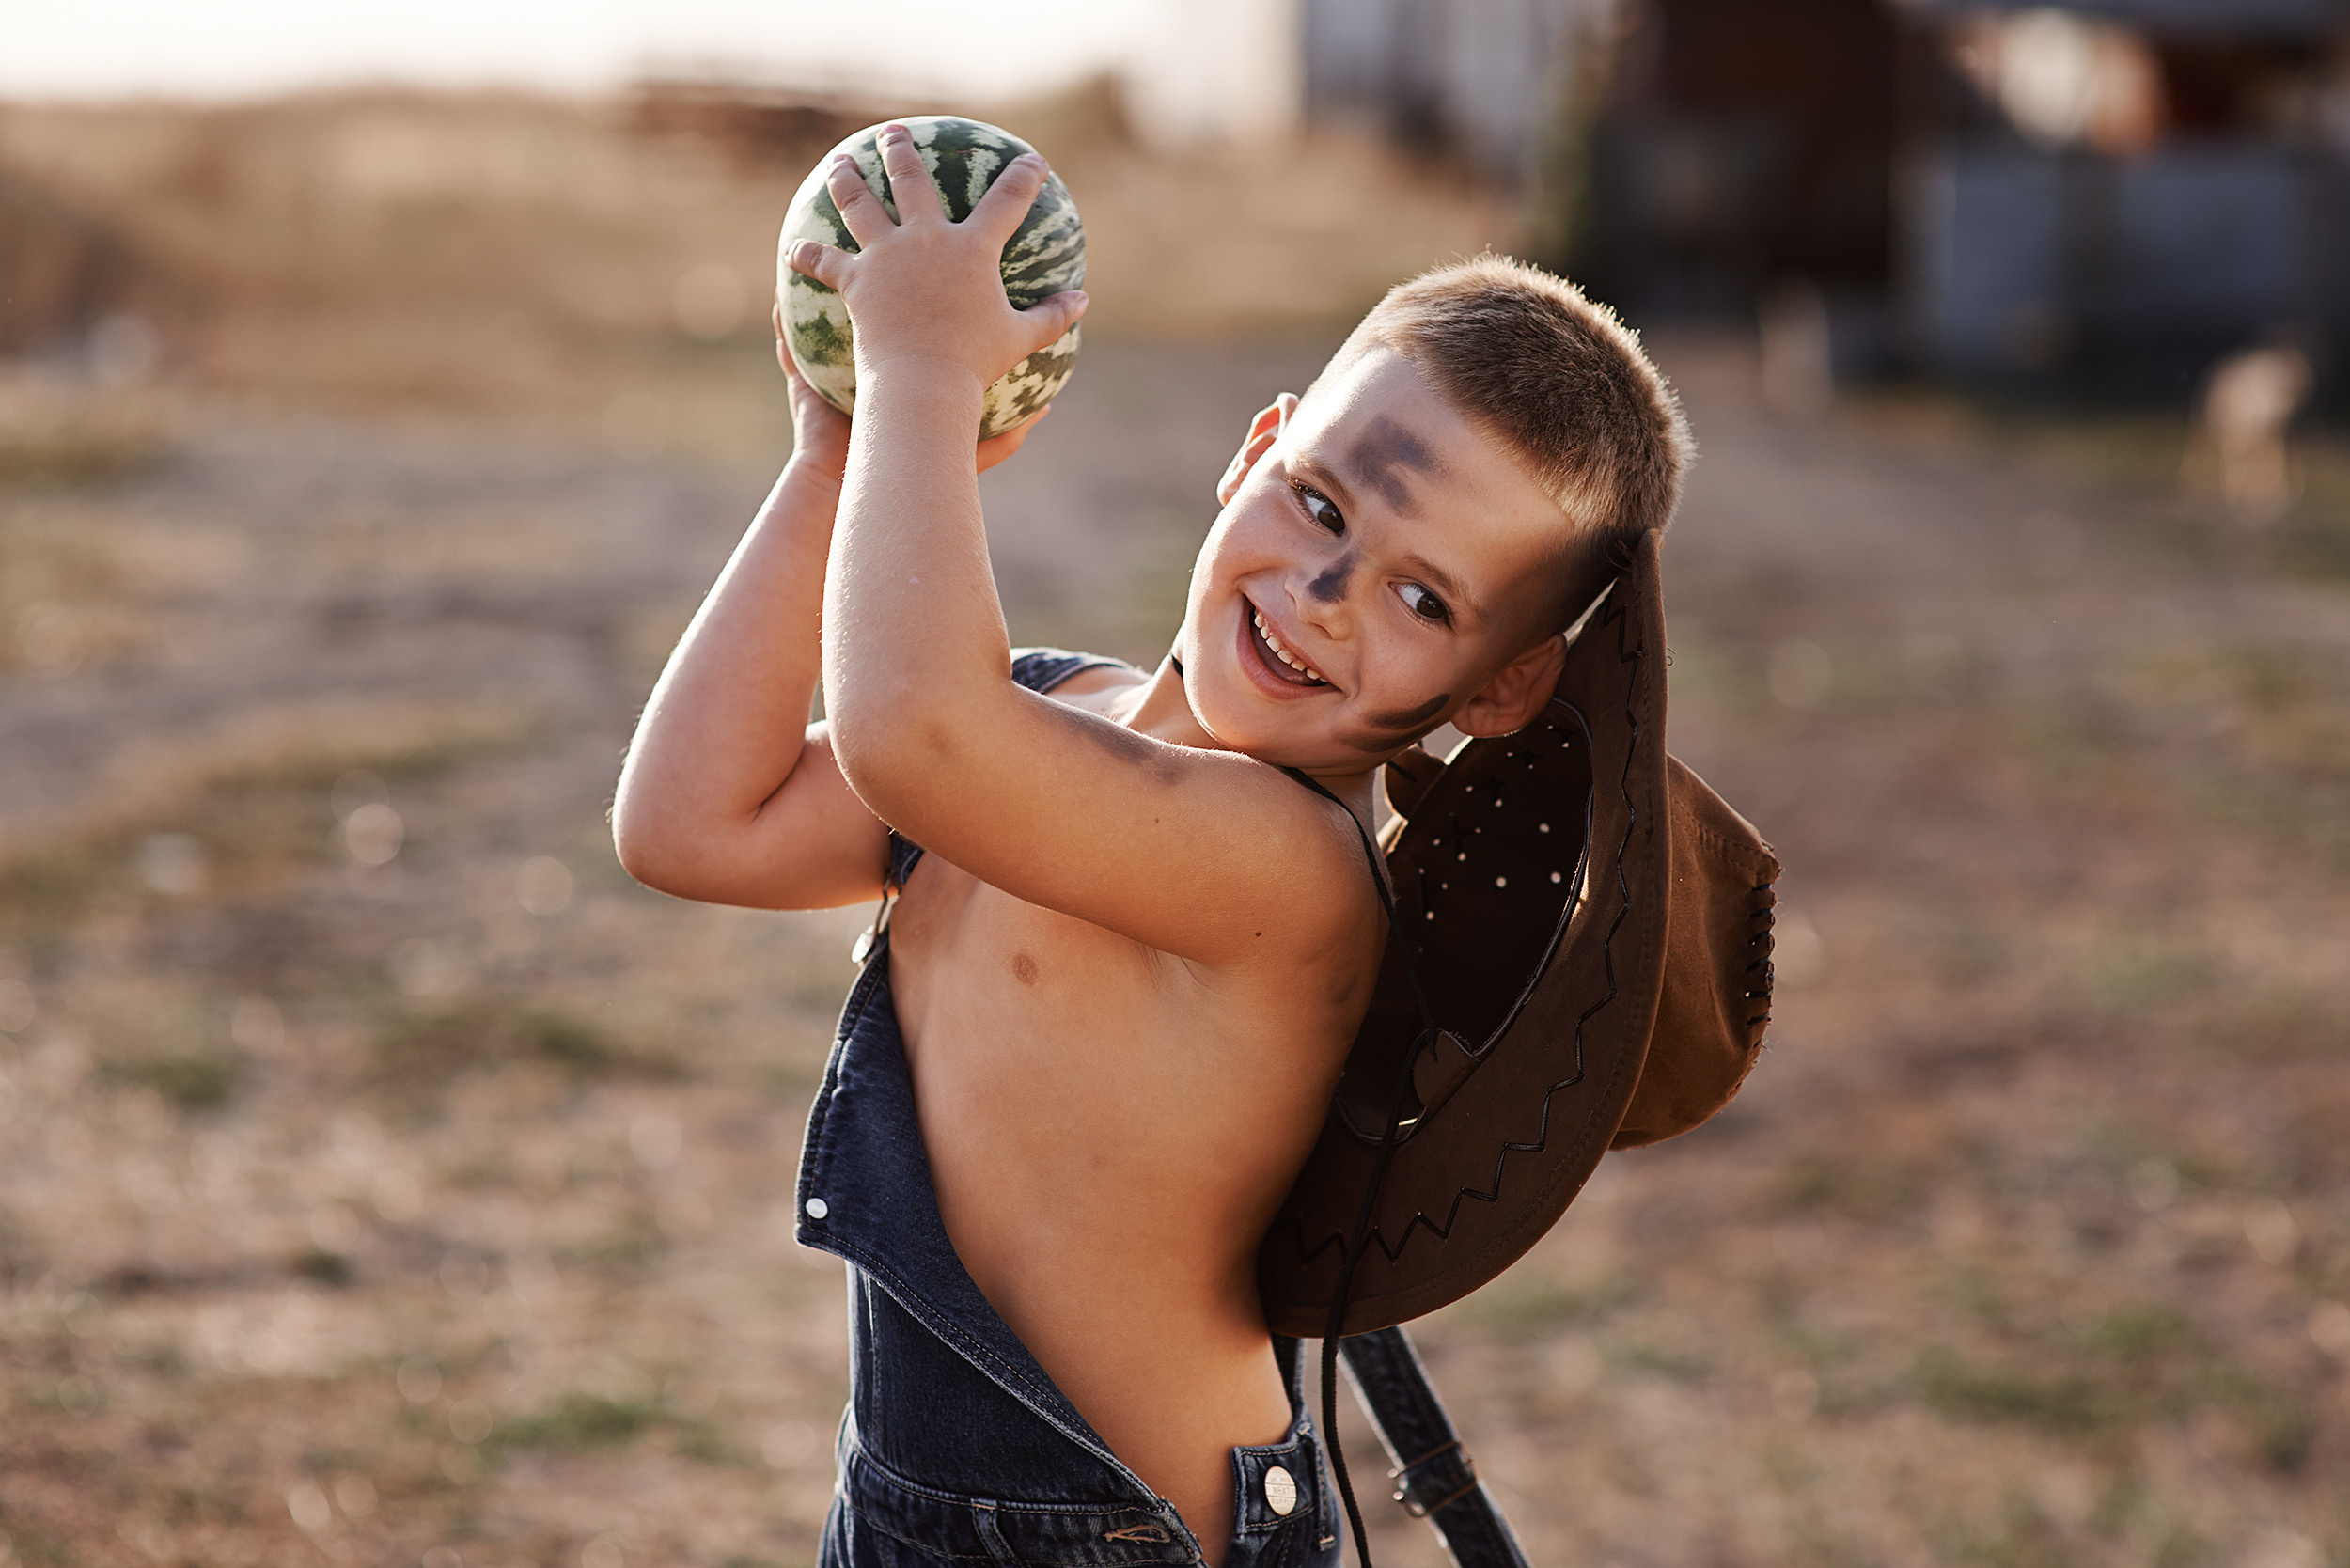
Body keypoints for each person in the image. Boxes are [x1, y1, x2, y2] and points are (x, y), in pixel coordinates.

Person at [612, 124, 1691, 1568]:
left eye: (1423, 601)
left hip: (1117, 1540)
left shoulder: (1289, 872)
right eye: (1318, 504)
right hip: (908, 1504)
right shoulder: (1044, 717)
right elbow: (690, 823)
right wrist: (839, 451)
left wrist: (926, 374)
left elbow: (914, 729)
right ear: (1254, 451)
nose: (1321, 593)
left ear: (1498, 688)